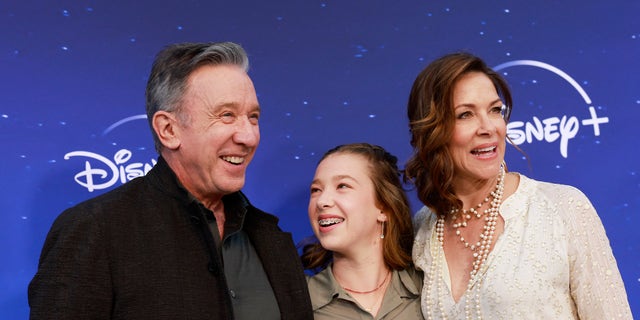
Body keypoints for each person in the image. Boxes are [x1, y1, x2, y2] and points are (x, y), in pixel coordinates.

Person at [28, 42, 313, 320]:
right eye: (227, 115)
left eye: (253, 117)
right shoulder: (94, 230)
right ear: (168, 129)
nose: (248, 136)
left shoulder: (272, 239)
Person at [403, 52, 632, 319]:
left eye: (495, 110)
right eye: (465, 114)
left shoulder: (562, 207)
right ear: (431, 131)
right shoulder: (423, 229)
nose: (488, 127)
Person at [301, 143, 423, 319]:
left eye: (342, 186)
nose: (322, 201)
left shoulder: (428, 288)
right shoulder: (297, 301)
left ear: (384, 208)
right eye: (316, 190)